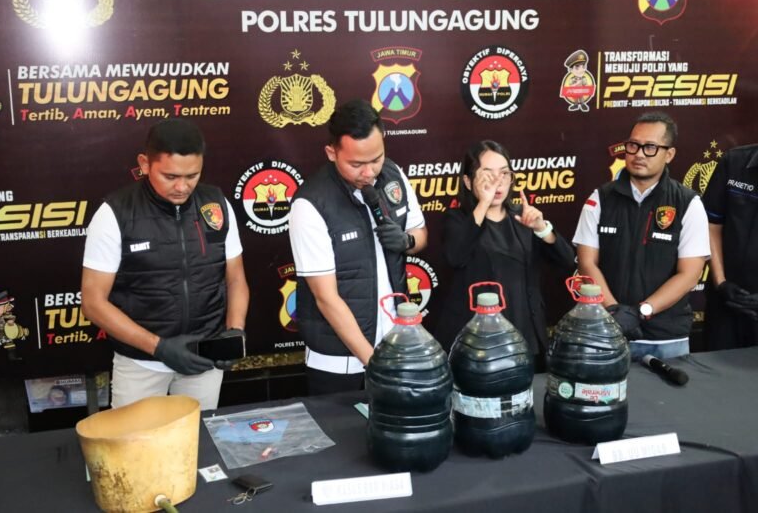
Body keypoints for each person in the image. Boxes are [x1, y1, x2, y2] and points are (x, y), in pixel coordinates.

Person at [81, 119, 249, 410]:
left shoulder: (216, 205)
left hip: (203, 358)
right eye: (170, 176)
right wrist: (159, 347)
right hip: (140, 364)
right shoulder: (115, 213)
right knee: (135, 440)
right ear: (145, 164)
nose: (182, 187)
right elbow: (93, 303)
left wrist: (234, 331)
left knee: (197, 436)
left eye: (192, 175)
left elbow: (235, 278)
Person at [288, 99, 427, 395]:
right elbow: (326, 298)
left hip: (394, 341)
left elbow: (420, 233)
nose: (369, 173)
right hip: (338, 361)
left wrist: (407, 241)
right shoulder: (310, 204)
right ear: (332, 153)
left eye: (376, 159)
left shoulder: (393, 175)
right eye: (356, 164)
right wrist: (374, 363)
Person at [573, 111, 709, 360]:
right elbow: (586, 262)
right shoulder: (599, 198)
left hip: (667, 339)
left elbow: (690, 274)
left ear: (669, 154)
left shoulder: (688, 203)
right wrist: (613, 312)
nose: (638, 154)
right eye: (633, 145)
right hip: (606, 333)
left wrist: (641, 311)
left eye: (650, 147)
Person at [434, 140, 575, 370]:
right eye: (487, 175)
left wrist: (542, 229)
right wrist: (484, 203)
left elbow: (567, 261)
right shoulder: (457, 219)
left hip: (527, 336)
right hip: (479, 344)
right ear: (468, 181)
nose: (497, 182)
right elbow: (456, 256)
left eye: (504, 174)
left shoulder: (524, 217)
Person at [701, 143, 758, 349]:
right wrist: (721, 283)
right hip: (726, 301)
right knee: (716, 366)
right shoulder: (734, 161)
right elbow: (711, 224)